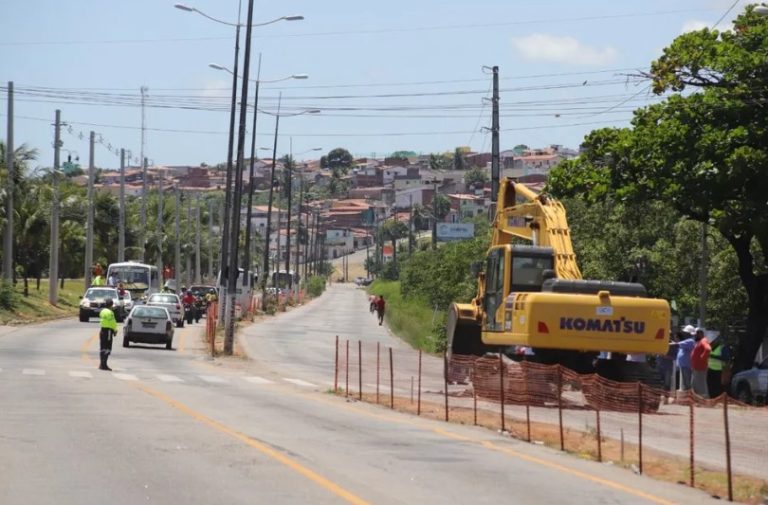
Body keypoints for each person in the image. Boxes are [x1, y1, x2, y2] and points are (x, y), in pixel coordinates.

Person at [690, 327, 711, 398]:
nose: (694, 335)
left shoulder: (703, 340)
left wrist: (702, 358)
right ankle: (698, 401)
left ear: (700, 333)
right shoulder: (699, 341)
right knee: (695, 385)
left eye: (696, 334)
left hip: (700, 368)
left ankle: (704, 401)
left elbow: (708, 349)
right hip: (696, 368)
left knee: (701, 387)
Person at [98, 298, 118, 371]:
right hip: (109, 331)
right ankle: (104, 364)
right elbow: (112, 323)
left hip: (102, 330)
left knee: (102, 347)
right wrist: (115, 330)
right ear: (111, 305)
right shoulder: (110, 313)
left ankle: (101, 364)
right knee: (107, 347)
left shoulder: (102, 311)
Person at [676, 325, 696, 390]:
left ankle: (690, 398)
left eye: (685, 332)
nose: (684, 334)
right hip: (684, 365)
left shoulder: (690, 341)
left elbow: (677, 344)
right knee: (685, 383)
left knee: (687, 383)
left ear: (689, 333)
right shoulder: (687, 340)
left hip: (687, 366)